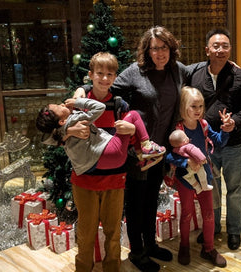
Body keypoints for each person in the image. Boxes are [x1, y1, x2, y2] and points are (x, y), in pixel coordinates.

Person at [39, 52, 165, 272]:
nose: (105, 79)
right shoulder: (77, 103)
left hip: (115, 180)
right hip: (84, 182)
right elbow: (47, 136)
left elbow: (134, 139)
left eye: (110, 74)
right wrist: (68, 131)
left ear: (115, 77)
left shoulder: (119, 104)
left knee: (113, 233)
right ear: (91, 75)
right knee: (86, 234)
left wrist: (133, 130)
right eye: (100, 74)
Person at [111, 26, 188, 272]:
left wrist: (230, 66)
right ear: (147, 50)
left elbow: (201, 71)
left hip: (160, 151)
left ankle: (150, 245)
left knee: (152, 199)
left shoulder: (177, 71)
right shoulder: (135, 72)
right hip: (138, 153)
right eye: (154, 48)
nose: (159, 53)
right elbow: (108, 92)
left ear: (170, 48)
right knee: (136, 203)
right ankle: (136, 252)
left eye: (163, 47)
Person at [188, 27, 241, 251]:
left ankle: (234, 229)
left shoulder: (240, 75)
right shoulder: (196, 74)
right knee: (211, 187)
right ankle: (213, 227)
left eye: (225, 46)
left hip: (234, 143)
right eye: (216, 46)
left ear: (230, 49)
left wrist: (235, 122)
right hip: (206, 144)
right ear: (207, 49)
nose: (221, 50)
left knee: (235, 188)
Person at [165, 86, 231, 267]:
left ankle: (208, 248)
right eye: (193, 106)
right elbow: (168, 155)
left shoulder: (203, 125)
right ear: (183, 107)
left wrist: (225, 129)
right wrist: (185, 163)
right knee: (186, 214)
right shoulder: (177, 129)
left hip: (205, 177)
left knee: (209, 214)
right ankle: (184, 245)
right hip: (185, 179)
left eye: (201, 106)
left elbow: (219, 142)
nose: (198, 110)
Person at [36, 98, 165, 175]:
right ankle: (147, 146)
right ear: (61, 122)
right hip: (110, 153)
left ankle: (143, 156)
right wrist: (78, 102)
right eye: (59, 107)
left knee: (126, 125)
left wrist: (67, 132)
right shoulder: (75, 119)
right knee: (133, 114)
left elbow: (46, 138)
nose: (62, 104)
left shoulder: (57, 132)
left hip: (95, 164)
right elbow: (100, 107)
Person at [168, 129, 213, 194]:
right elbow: (196, 152)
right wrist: (203, 159)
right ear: (185, 140)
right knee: (202, 173)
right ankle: (204, 186)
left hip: (186, 169)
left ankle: (197, 188)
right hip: (196, 166)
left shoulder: (175, 150)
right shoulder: (188, 146)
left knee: (189, 178)